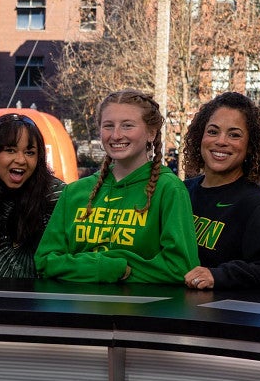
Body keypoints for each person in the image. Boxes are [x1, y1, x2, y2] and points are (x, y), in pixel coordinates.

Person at [35, 89, 197, 284]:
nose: (116, 135)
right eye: (108, 126)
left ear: (151, 133)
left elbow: (180, 268)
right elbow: (44, 262)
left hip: (143, 311)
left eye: (128, 126)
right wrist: (107, 267)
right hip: (77, 310)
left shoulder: (169, 190)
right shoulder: (74, 192)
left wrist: (113, 269)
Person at [180, 92, 260, 291]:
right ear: (199, 137)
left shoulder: (255, 206)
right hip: (174, 314)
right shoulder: (182, 192)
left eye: (234, 135)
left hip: (223, 318)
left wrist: (219, 275)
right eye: (212, 131)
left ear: (250, 147)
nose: (221, 141)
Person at [0, 113, 63, 279]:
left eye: (30, 152)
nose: (21, 160)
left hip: (39, 300)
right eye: (10, 150)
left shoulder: (56, 197)